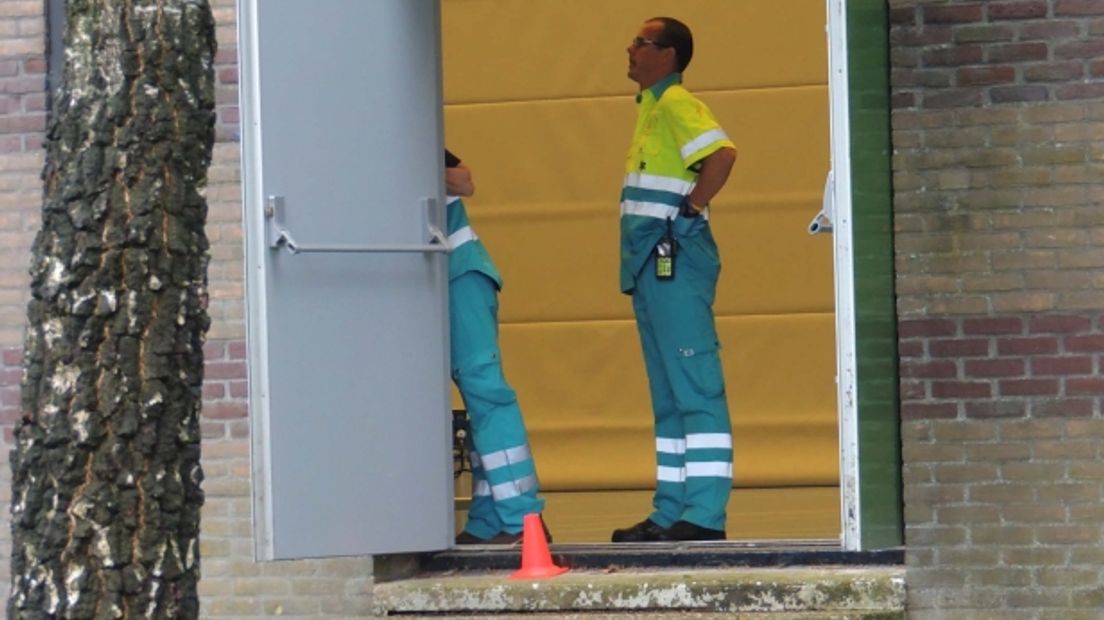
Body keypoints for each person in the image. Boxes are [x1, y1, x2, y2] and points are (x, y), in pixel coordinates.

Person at [611, 17, 738, 543]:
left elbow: (722, 156)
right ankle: (670, 511)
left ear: (667, 55)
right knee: (668, 393)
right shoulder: (651, 110)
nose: (630, 48)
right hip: (650, 263)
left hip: (675, 257)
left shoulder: (677, 105)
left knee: (694, 387)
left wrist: (691, 209)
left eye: (640, 41)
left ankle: (703, 515)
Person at [444, 149, 548, 545]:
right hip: (430, 284)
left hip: (459, 275)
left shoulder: (409, 134)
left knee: (487, 395)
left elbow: (463, 180)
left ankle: (523, 519)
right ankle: (489, 521)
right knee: (477, 404)